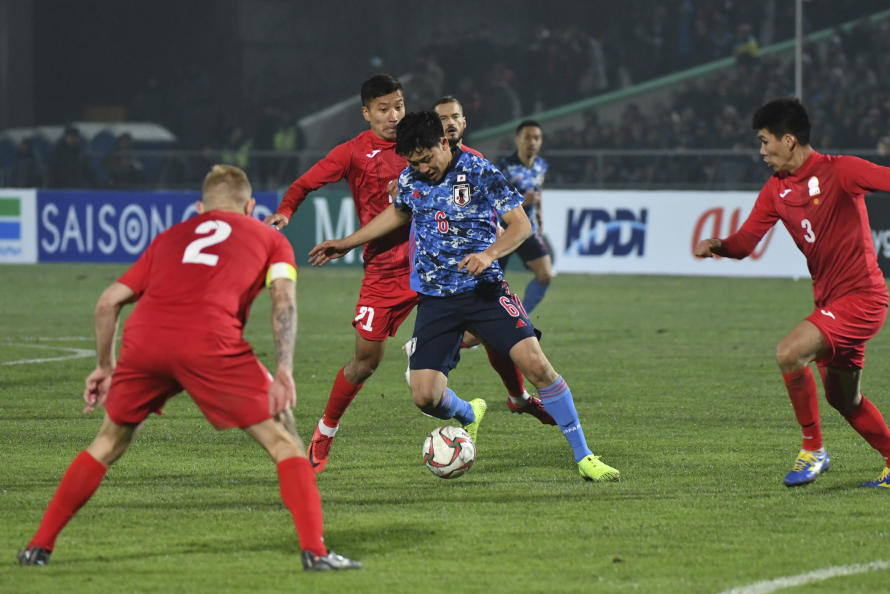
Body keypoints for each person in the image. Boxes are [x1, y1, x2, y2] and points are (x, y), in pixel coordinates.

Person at [17, 165, 361, 571]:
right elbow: (283, 299)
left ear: (199, 208)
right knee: (283, 438)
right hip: (209, 341)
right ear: (251, 206)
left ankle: (37, 547)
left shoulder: (169, 237)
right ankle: (315, 553)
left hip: (145, 340)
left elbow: (108, 302)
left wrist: (105, 367)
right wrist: (283, 369)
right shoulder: (269, 237)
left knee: (108, 442)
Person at [309, 111, 620, 482]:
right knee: (424, 396)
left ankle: (585, 456)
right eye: (414, 162)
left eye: (427, 158)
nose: (422, 168)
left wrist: (488, 255)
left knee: (538, 367)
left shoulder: (479, 170)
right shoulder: (411, 179)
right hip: (437, 300)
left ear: (443, 142)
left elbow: (520, 225)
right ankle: (469, 413)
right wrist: (346, 243)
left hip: (485, 292)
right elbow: (397, 214)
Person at [265, 76, 550, 475]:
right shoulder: (352, 153)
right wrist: (287, 211)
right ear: (366, 113)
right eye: (383, 109)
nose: (393, 115)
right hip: (384, 272)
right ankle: (325, 432)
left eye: (398, 106)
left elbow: (470, 176)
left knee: (495, 333)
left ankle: (517, 397)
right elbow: (305, 183)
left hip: (436, 267)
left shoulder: (424, 146)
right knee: (364, 362)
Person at [694, 98, 890, 489]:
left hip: (862, 298)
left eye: (764, 141)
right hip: (830, 303)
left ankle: (814, 450)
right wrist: (718, 245)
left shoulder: (840, 170)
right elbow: (745, 243)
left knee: (789, 352)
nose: (761, 152)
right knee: (845, 401)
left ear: (789, 140)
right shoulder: (776, 190)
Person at [431, 95, 555, 425]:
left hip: (514, 231)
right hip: (490, 240)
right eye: (444, 118)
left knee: (543, 274)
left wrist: (536, 214)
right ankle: (449, 344)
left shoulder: (531, 166)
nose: (533, 142)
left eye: (456, 116)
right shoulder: (500, 165)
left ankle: (515, 386)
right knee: (488, 322)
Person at [497, 120, 553, 314]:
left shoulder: (541, 166)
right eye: (527, 137)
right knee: (491, 285)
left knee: (545, 274)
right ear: (517, 140)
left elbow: (538, 193)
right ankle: (478, 333)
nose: (532, 142)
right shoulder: (505, 167)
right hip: (504, 230)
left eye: (536, 137)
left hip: (527, 230)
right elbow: (495, 200)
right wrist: (522, 201)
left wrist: (540, 217)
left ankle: (522, 317)